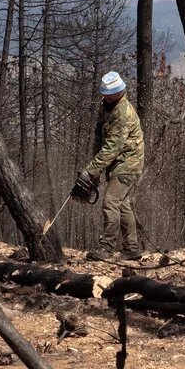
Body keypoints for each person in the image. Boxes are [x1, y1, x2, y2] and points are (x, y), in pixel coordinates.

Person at [78, 71, 145, 261]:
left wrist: (91, 169)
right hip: (116, 162)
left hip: (129, 162)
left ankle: (106, 248)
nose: (105, 96)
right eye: (105, 93)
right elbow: (99, 138)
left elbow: (113, 146)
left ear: (120, 91)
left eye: (110, 93)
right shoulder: (106, 106)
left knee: (110, 202)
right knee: (122, 205)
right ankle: (131, 249)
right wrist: (95, 170)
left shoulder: (123, 113)